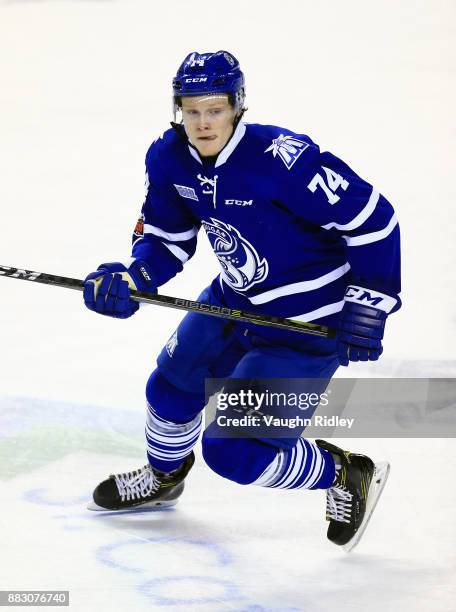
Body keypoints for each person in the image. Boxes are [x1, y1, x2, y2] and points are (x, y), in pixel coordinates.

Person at [83, 50, 400, 551]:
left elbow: (375, 222)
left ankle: (346, 472)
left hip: (304, 329)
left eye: (214, 109)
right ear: (177, 109)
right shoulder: (169, 157)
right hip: (234, 302)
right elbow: (167, 237)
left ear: (237, 106)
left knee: (236, 454)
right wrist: (134, 275)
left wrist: (371, 303)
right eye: (191, 110)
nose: (203, 122)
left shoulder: (285, 161)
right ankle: (165, 479)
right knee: (169, 391)